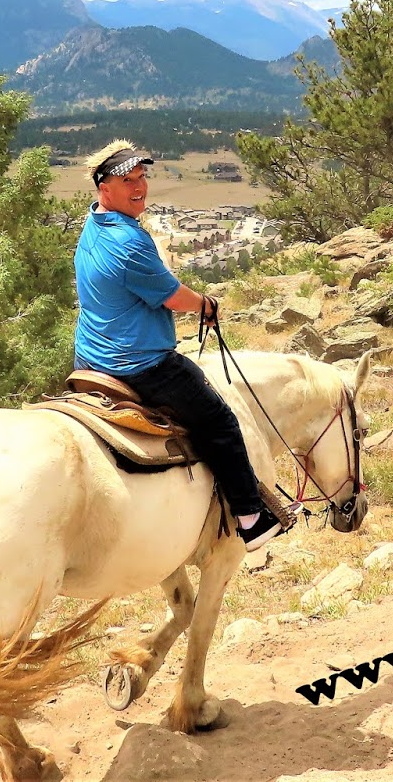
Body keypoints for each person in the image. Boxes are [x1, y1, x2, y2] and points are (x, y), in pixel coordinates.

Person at [73, 140, 284, 551]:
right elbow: (172, 296)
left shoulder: (94, 221)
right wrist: (207, 304)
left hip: (90, 356)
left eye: (142, 177)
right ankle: (251, 518)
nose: (139, 187)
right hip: (139, 364)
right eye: (127, 181)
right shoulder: (129, 241)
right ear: (104, 188)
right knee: (220, 422)